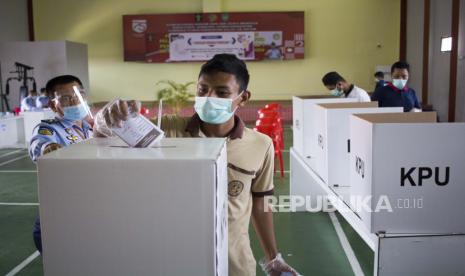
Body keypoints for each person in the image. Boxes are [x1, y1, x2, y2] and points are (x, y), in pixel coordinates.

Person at [95, 54, 299, 276]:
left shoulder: (260, 144)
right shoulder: (167, 131)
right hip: (173, 258)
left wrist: (273, 258)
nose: (209, 98)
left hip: (234, 263)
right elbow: (105, 140)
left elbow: (262, 204)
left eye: (221, 93)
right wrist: (104, 121)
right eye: (203, 90)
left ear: (243, 98)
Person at [29, 75, 93, 253]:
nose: (74, 101)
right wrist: (48, 148)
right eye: (66, 98)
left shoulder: (91, 129)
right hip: (58, 217)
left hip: (86, 211)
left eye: (78, 95)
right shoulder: (49, 128)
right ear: (52, 105)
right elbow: (39, 145)